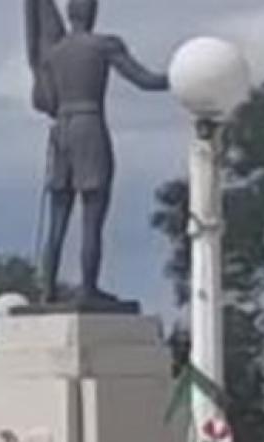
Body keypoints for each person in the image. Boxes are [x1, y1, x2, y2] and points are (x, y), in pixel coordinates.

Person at [25, 0, 169, 303]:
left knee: (58, 218)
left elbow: (45, 94)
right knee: (93, 214)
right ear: (92, 12)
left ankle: (47, 289)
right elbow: (145, 81)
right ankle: (88, 288)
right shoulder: (104, 46)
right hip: (89, 127)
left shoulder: (54, 52)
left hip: (61, 132)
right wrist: (180, 78)